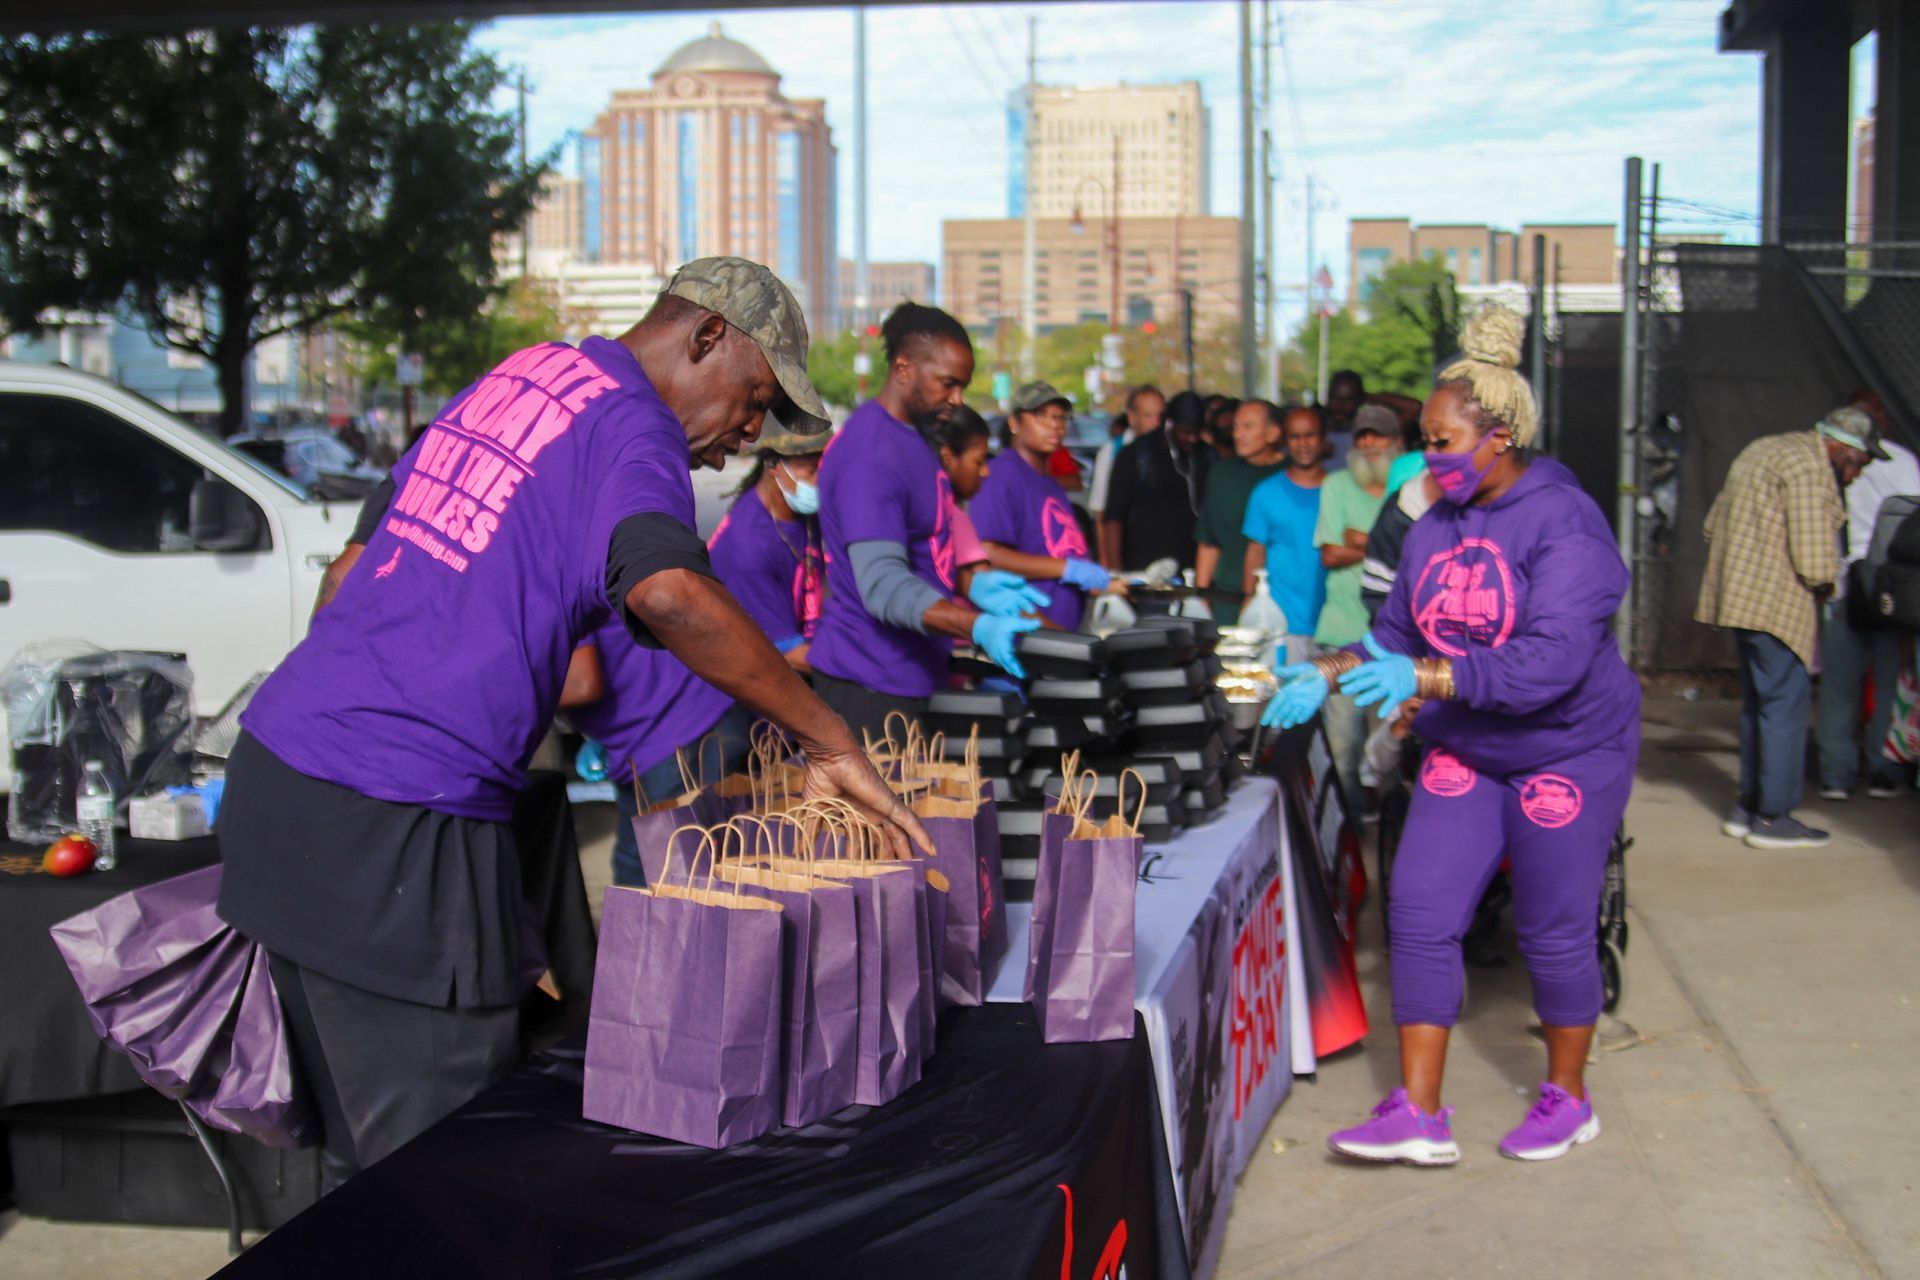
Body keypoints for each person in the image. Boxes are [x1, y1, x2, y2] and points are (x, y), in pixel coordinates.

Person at [217, 257, 928, 1189]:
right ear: (705, 335)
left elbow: (348, 576)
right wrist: (826, 736)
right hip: (394, 823)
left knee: (363, 1168)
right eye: (753, 399)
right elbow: (672, 592)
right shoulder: (633, 424)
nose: (745, 436)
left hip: (279, 782)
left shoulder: (519, 378)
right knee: (451, 1177)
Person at [1265, 304, 1641, 1166]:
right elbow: (1393, 634)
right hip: (1469, 745)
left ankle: (1568, 1097)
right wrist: (1321, 673)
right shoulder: (1435, 522)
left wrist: (1425, 680)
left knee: (1553, 927)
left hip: (1566, 748)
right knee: (1421, 910)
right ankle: (1419, 1113)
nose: (1429, 458)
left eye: (1444, 442)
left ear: (1500, 437)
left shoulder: (1565, 521)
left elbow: (1547, 664)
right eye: (1424, 441)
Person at [811, 303, 1036, 739]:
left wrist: (975, 585)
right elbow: (882, 586)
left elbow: (927, 544)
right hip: (866, 686)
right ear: (903, 368)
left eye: (963, 386)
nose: (957, 400)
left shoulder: (915, 440)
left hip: (912, 676)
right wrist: (975, 625)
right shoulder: (870, 454)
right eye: (947, 384)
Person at [1697, 404, 1885, 848]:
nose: (1855, 475)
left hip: (1738, 599)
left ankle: (1747, 807)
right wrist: (1827, 581)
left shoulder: (1763, 448)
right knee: (1785, 709)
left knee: (1758, 707)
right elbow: (1815, 558)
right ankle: (1773, 817)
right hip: (1776, 606)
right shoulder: (1810, 466)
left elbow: (1710, 526)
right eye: (1858, 464)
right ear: (1841, 449)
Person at [1816, 391, 1920, 799]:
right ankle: (1882, 769)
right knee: (1890, 678)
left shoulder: (1822, 461)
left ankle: (1835, 775)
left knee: (1840, 683)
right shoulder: (1903, 463)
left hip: (1841, 583)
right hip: (1891, 588)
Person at [968, 380, 1112, 630]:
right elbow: (989, 554)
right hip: (1024, 636)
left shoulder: (1053, 486)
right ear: (1014, 423)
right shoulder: (1000, 476)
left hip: (1062, 636)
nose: (1054, 425)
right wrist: (1067, 569)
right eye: (1041, 415)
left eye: (1060, 418)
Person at [1314, 403, 1397, 818]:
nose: (1368, 445)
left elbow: (1418, 553)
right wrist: (1387, 545)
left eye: (1378, 436)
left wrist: (1360, 541)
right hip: (1342, 633)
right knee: (1343, 750)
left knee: (1390, 748)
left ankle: (1389, 829)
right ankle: (1350, 839)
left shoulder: (1412, 487)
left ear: (1395, 443)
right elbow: (1330, 553)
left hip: (1397, 642)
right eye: (1362, 436)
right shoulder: (1336, 485)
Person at [1242, 406, 1329, 663]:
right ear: (1285, 441)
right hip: (1282, 624)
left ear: (1323, 439)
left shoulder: (1341, 490)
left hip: (1332, 626)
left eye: (1310, 435)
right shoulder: (1265, 493)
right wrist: (1249, 607)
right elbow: (1255, 552)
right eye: (1295, 436)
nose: (1303, 444)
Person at [1194, 399, 1289, 624]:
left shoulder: (1292, 476)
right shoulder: (1222, 474)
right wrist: (1201, 596)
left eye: (1248, 427)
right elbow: (1209, 542)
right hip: (1227, 598)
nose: (1238, 434)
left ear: (1273, 432)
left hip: (1280, 600)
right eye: (1235, 427)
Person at [1104, 387, 1205, 573]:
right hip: (1143, 569)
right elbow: (1113, 517)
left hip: (1192, 568)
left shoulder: (1204, 455)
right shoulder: (1136, 454)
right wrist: (1115, 572)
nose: (1191, 438)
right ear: (1170, 424)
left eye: (1196, 433)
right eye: (1185, 432)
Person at [1089, 385, 1164, 561]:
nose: (1156, 422)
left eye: (1160, 415)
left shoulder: (1172, 451)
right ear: (1132, 417)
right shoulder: (1112, 451)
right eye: (1148, 415)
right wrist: (1108, 567)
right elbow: (1101, 515)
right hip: (1128, 557)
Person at [1361, 452, 1439, 621]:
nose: (1433, 454)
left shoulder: (1501, 515)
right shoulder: (1401, 507)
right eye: (1429, 441)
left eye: (1444, 441)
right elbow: (1379, 597)